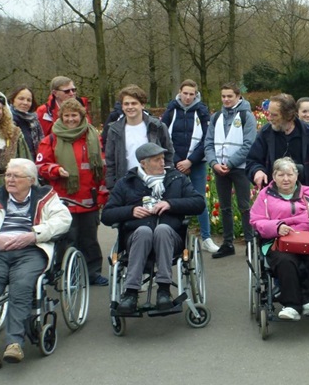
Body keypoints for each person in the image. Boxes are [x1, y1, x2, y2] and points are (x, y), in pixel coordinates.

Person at [0, 159, 71, 370]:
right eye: (8, 175)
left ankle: (14, 343)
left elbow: (63, 220)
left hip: (31, 250)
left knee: (21, 285)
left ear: (30, 180)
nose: (10, 179)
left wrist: (34, 235)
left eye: (15, 176)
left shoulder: (46, 197)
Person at [100, 143, 206, 314]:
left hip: (171, 239)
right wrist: (131, 211)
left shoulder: (176, 179)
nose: (162, 163)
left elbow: (199, 203)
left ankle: (164, 290)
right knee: (144, 231)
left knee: (162, 230)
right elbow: (106, 215)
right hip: (136, 239)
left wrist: (171, 204)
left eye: (163, 159)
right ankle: (131, 293)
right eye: (157, 160)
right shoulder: (127, 183)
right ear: (143, 163)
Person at [249, 157, 309, 321]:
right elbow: (256, 220)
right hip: (280, 241)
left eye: (289, 174)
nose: (286, 179)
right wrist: (276, 227)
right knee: (285, 261)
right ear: (274, 177)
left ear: (296, 176)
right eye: (281, 175)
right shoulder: (265, 197)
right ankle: (292, 305)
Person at [37, 99, 109, 286]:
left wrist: (102, 194)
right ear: (61, 117)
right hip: (63, 199)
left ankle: (93, 273)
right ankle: (67, 274)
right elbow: (41, 166)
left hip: (89, 199)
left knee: (89, 239)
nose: (70, 119)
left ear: (82, 116)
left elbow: (103, 168)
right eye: (67, 116)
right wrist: (55, 170)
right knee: (66, 238)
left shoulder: (94, 137)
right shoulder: (51, 139)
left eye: (74, 115)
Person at [161, 80, 217, 254]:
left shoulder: (201, 110)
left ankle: (206, 238)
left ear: (196, 94)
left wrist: (191, 161)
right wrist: (178, 161)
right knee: (173, 200)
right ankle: (173, 237)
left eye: (191, 94)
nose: (187, 97)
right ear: (179, 92)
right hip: (174, 163)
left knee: (200, 200)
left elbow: (207, 138)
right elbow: (164, 136)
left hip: (197, 163)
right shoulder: (172, 109)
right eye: (185, 93)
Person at [204, 82, 257, 258]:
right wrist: (213, 163)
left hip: (239, 168)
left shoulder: (246, 116)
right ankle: (228, 243)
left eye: (230, 96)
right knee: (225, 207)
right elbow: (209, 142)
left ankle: (250, 243)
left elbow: (249, 145)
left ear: (238, 96)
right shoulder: (216, 116)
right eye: (223, 96)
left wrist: (231, 163)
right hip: (219, 168)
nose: (226, 99)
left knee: (244, 206)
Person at [247, 93, 309, 196]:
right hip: (274, 194)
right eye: (269, 113)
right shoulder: (265, 133)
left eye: (274, 115)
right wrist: (257, 171)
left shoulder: (308, 133)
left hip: (304, 193)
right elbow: (252, 160)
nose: (269, 118)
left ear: (289, 115)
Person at [104, 85, 174, 190]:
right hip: (126, 182)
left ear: (142, 105)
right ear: (122, 107)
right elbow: (110, 161)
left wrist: (168, 178)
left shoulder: (157, 126)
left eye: (134, 103)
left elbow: (168, 154)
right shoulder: (114, 130)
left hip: (154, 181)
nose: (130, 107)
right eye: (126, 104)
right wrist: (112, 186)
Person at [7, 85, 44, 154]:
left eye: (29, 100)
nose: (25, 103)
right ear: (12, 100)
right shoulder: (7, 120)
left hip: (33, 162)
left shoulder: (34, 121)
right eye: (21, 99)